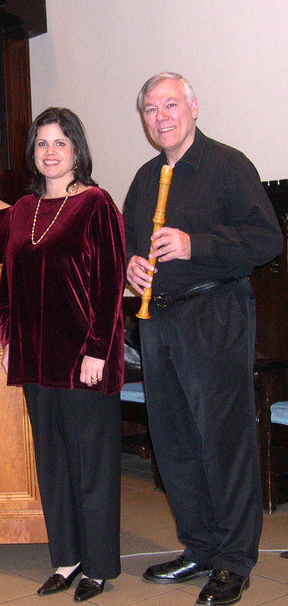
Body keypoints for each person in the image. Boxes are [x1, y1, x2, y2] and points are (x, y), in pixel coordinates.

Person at [124, 72, 282, 606]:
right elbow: (129, 247)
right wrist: (131, 271)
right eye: (150, 109)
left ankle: (234, 561)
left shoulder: (227, 165)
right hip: (158, 321)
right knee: (173, 444)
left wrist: (197, 245)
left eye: (170, 105)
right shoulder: (145, 179)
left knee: (223, 442)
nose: (161, 116)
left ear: (193, 106)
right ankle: (199, 547)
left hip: (215, 312)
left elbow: (266, 239)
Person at [0, 107, 125, 602]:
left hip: (83, 360)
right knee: (51, 462)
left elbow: (111, 285)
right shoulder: (21, 211)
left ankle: (97, 565)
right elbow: (8, 285)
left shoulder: (96, 204)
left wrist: (98, 348)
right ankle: (67, 558)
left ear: (77, 150)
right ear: (32, 152)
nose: (50, 152)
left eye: (60, 143)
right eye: (42, 143)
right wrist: (8, 340)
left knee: (90, 463)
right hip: (34, 360)